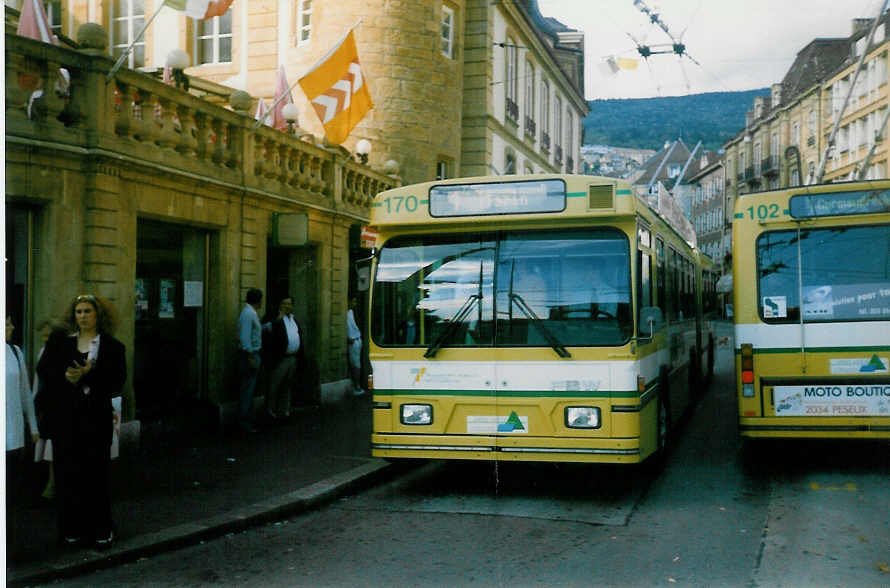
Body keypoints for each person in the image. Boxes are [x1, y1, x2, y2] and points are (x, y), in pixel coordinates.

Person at [36, 295, 126, 549]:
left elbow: (117, 380)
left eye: (87, 311)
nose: (82, 316)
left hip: (95, 422)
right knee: (67, 477)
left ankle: (101, 530)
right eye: (78, 311)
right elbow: (45, 371)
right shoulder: (62, 344)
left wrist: (90, 375)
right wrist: (66, 377)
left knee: (96, 477)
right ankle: (70, 531)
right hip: (68, 422)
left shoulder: (112, 347)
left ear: (98, 315)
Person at [262, 295, 306, 419]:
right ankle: (270, 411)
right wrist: (277, 320)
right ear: (280, 305)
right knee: (274, 385)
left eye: (289, 304)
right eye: (284, 304)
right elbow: (268, 334)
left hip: (293, 358)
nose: (287, 306)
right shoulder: (275, 319)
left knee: (287, 386)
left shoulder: (294, 320)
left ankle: (284, 411)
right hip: (280, 359)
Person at [237, 288, 263, 432]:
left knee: (249, 389)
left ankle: (247, 420)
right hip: (249, 355)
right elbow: (245, 337)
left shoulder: (250, 313)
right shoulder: (248, 314)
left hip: (252, 353)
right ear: (258, 300)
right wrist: (251, 356)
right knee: (247, 390)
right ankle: (244, 422)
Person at [346, 296, 365, 396]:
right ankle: (356, 385)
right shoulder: (347, 313)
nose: (355, 304)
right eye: (353, 301)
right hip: (353, 341)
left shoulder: (352, 312)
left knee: (356, 365)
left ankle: (357, 385)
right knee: (355, 365)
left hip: (356, 341)